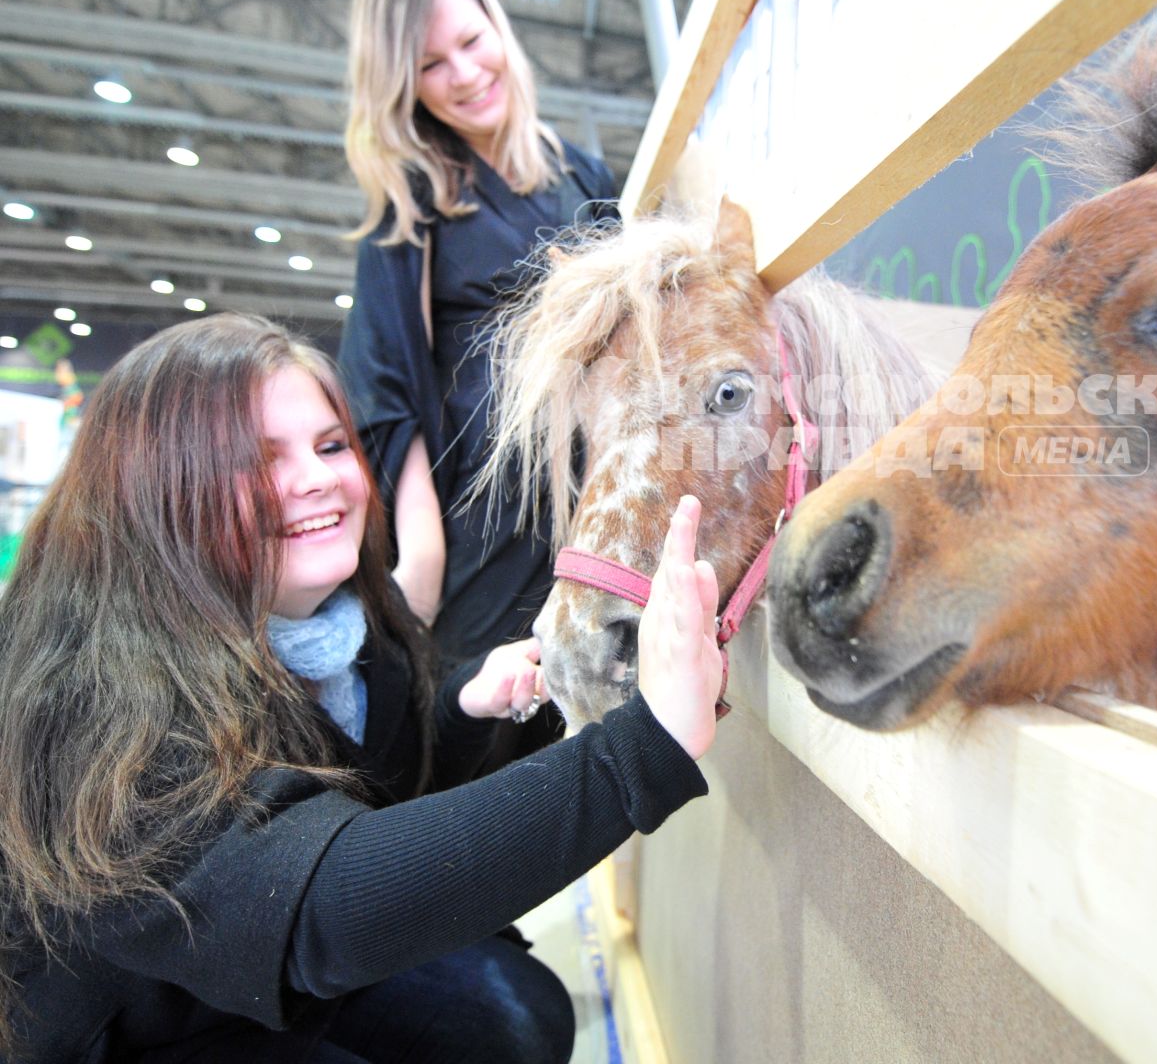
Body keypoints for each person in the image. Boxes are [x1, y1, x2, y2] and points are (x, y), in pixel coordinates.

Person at [0, 314, 723, 1063]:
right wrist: (645, 747)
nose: (317, 480)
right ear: (157, 491)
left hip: (268, 985)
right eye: (257, 458)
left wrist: (461, 710)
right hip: (148, 1029)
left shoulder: (353, 623)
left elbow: (373, 798)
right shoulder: (93, 698)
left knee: (514, 1017)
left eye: (331, 445)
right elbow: (317, 909)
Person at [338, 0, 619, 688]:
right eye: (430, 64)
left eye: (470, 41)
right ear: (401, 83)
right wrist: (422, 551)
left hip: (601, 505)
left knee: (600, 725)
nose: (463, 75)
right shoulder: (413, 194)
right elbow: (380, 386)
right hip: (492, 518)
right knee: (487, 728)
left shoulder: (580, 174)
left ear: (498, 27)